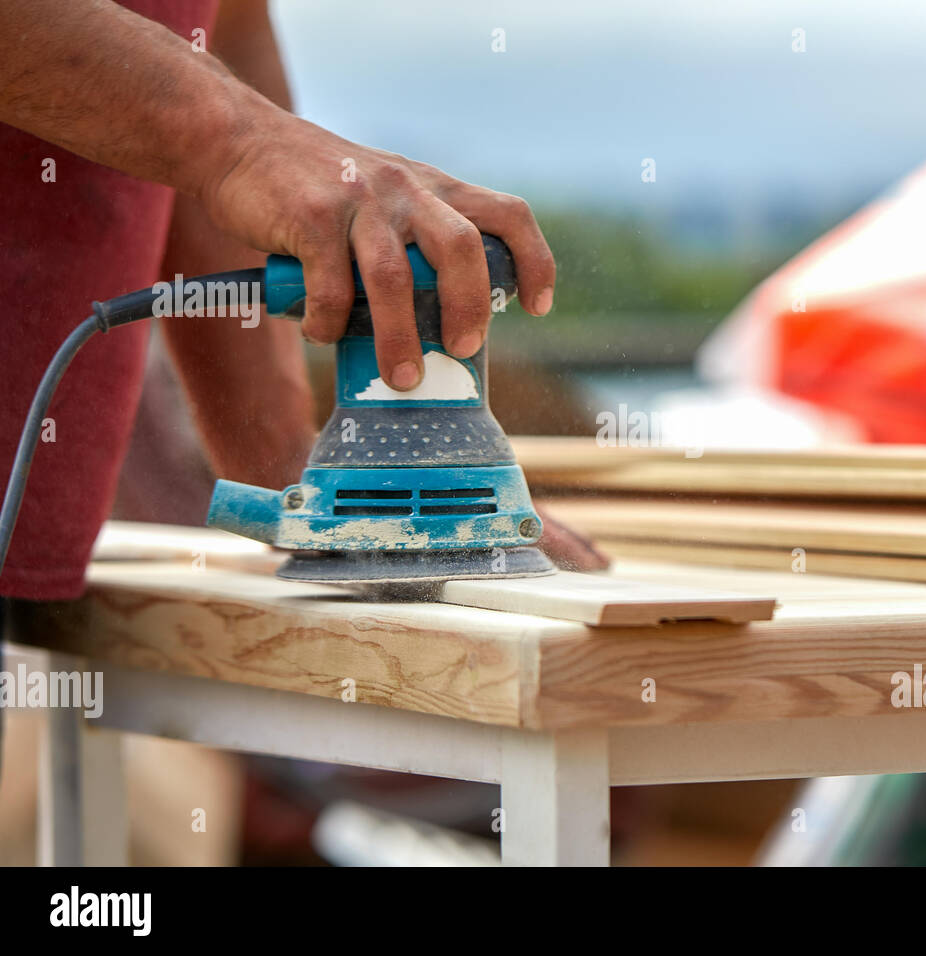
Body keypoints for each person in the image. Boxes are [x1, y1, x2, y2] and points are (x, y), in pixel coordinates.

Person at [0, 0, 603, 603]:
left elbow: (206, 24)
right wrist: (240, 142)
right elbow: (214, 145)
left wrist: (294, 468)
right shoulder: (232, 139)